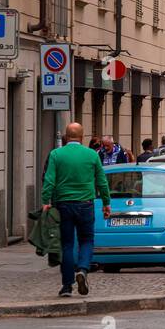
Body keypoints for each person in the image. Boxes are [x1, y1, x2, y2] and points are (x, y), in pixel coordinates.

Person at [42, 121, 111, 298]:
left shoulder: (56, 154)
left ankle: (66, 286)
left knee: (66, 244)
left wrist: (45, 200)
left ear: (66, 137)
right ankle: (82, 269)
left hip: (63, 204)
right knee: (87, 240)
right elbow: (102, 181)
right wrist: (106, 203)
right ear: (82, 137)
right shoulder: (91, 155)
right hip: (86, 204)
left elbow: (49, 179)